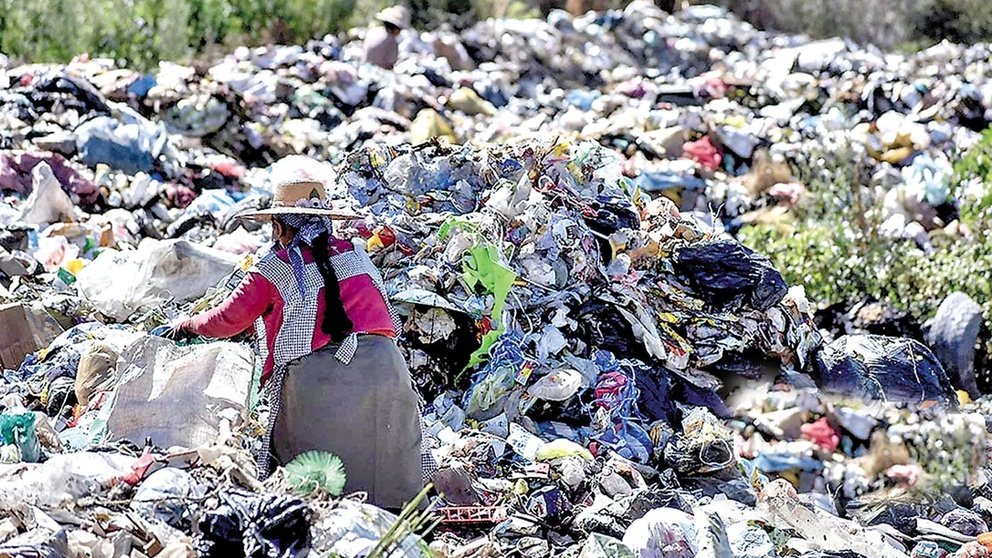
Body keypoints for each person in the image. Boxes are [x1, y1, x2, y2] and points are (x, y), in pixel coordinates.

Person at [168, 171, 423, 509]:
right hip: (386, 368)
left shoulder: (275, 265)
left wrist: (186, 325)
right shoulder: (355, 254)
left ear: (278, 226)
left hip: (320, 379)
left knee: (314, 487)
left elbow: (227, 320)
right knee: (386, 473)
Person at [364, 5, 410, 70]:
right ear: (396, 29)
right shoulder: (391, 41)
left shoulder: (373, 32)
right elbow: (391, 63)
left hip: (366, 68)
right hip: (379, 73)